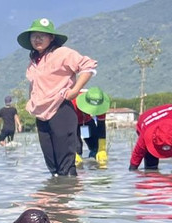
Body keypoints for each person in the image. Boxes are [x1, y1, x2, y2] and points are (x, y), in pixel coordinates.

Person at [18, 18, 97, 176]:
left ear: (51, 38)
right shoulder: (34, 61)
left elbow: (89, 66)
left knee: (65, 164)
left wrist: (75, 90)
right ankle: (54, 197)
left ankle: (68, 194)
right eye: (34, 36)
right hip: (41, 115)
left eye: (42, 35)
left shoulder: (62, 53)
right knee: (52, 163)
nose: (37, 39)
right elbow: (33, 84)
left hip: (61, 110)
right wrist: (31, 102)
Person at [129, 97, 172, 170]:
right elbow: (137, 155)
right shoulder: (145, 136)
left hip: (171, 114)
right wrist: (132, 169)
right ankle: (151, 170)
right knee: (150, 166)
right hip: (146, 121)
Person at [73, 86, 110, 166]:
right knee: (77, 149)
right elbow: (65, 129)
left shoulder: (101, 104)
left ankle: (94, 170)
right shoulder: (72, 102)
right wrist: (72, 152)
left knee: (96, 148)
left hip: (87, 121)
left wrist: (102, 149)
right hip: (73, 123)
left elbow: (101, 126)